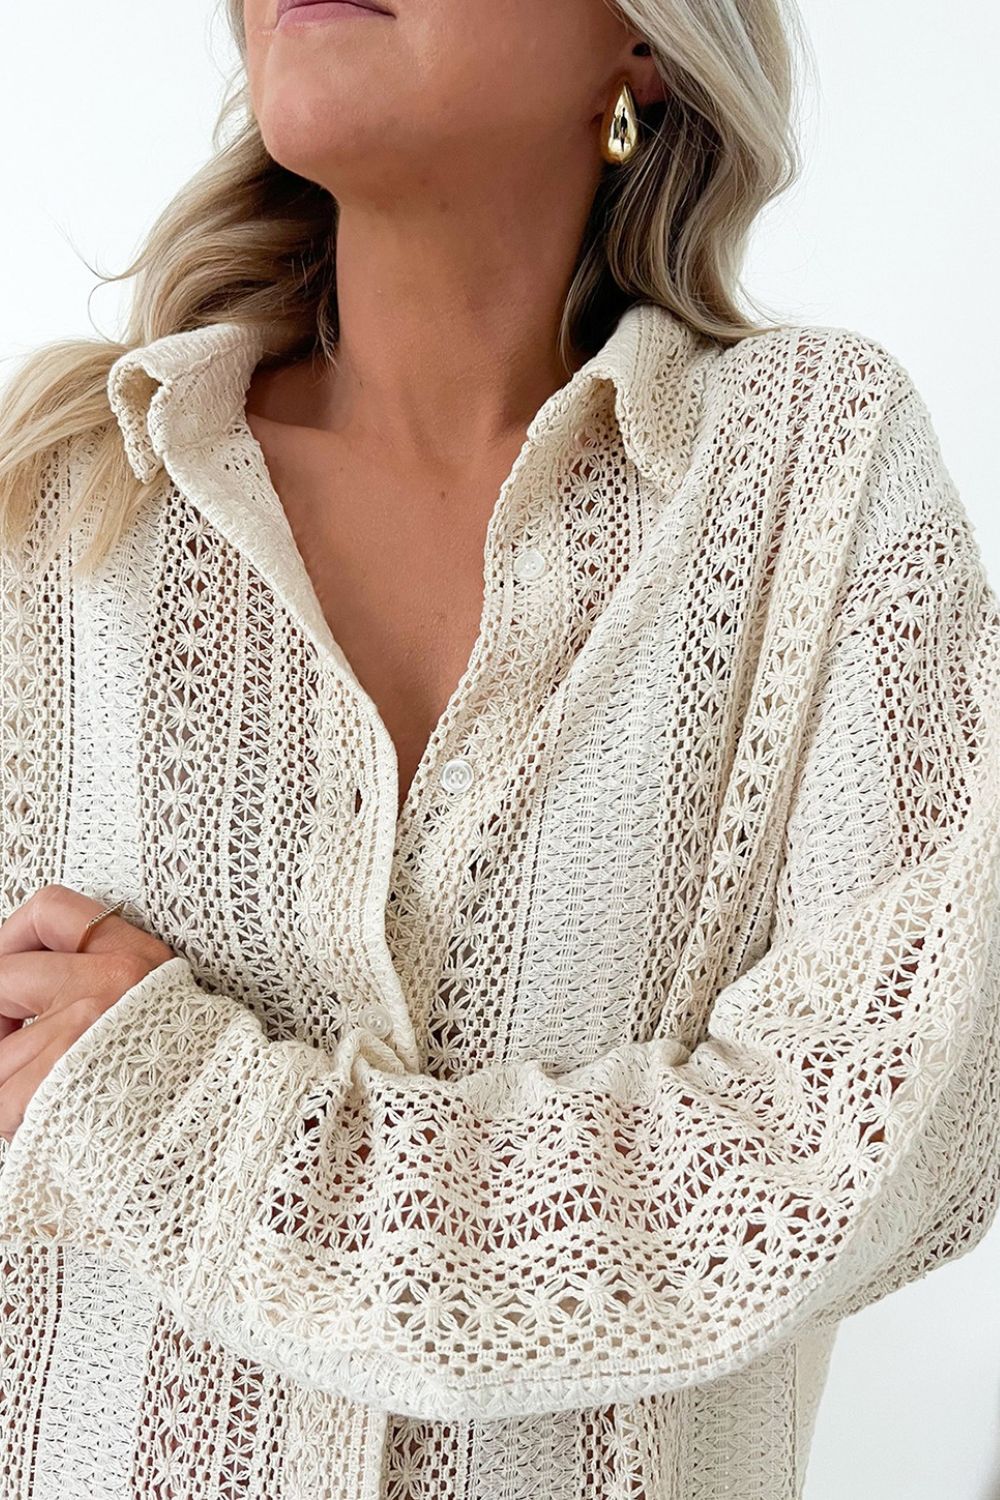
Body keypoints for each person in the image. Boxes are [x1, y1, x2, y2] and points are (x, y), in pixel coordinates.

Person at [0, 1, 997, 1496]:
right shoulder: (60, 501)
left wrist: (187, 1121)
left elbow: (872, 1149)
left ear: (641, 45)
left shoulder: (815, 476)